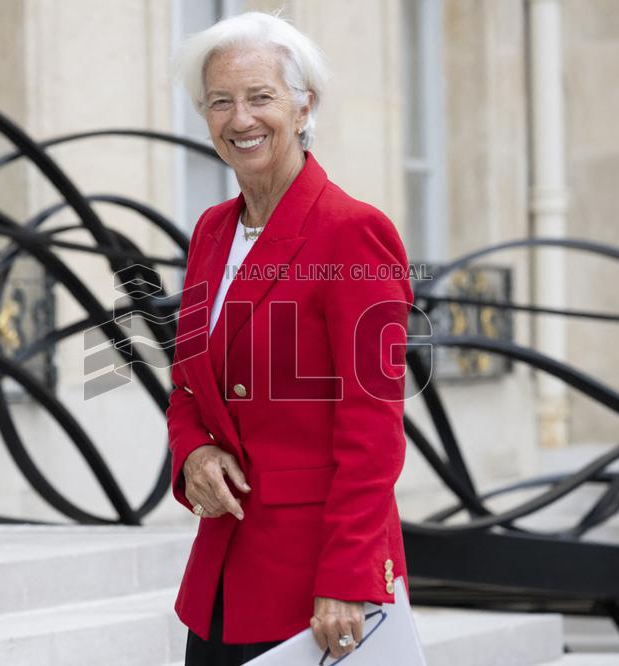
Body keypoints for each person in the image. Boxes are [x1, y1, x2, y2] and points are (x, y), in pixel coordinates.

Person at [166, 11, 413, 665]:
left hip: (313, 587)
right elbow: (187, 380)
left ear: (304, 107)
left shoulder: (354, 232)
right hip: (222, 572)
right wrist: (193, 455)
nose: (240, 118)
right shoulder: (211, 233)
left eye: (260, 97)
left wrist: (348, 579)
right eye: (220, 101)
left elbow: (373, 429)